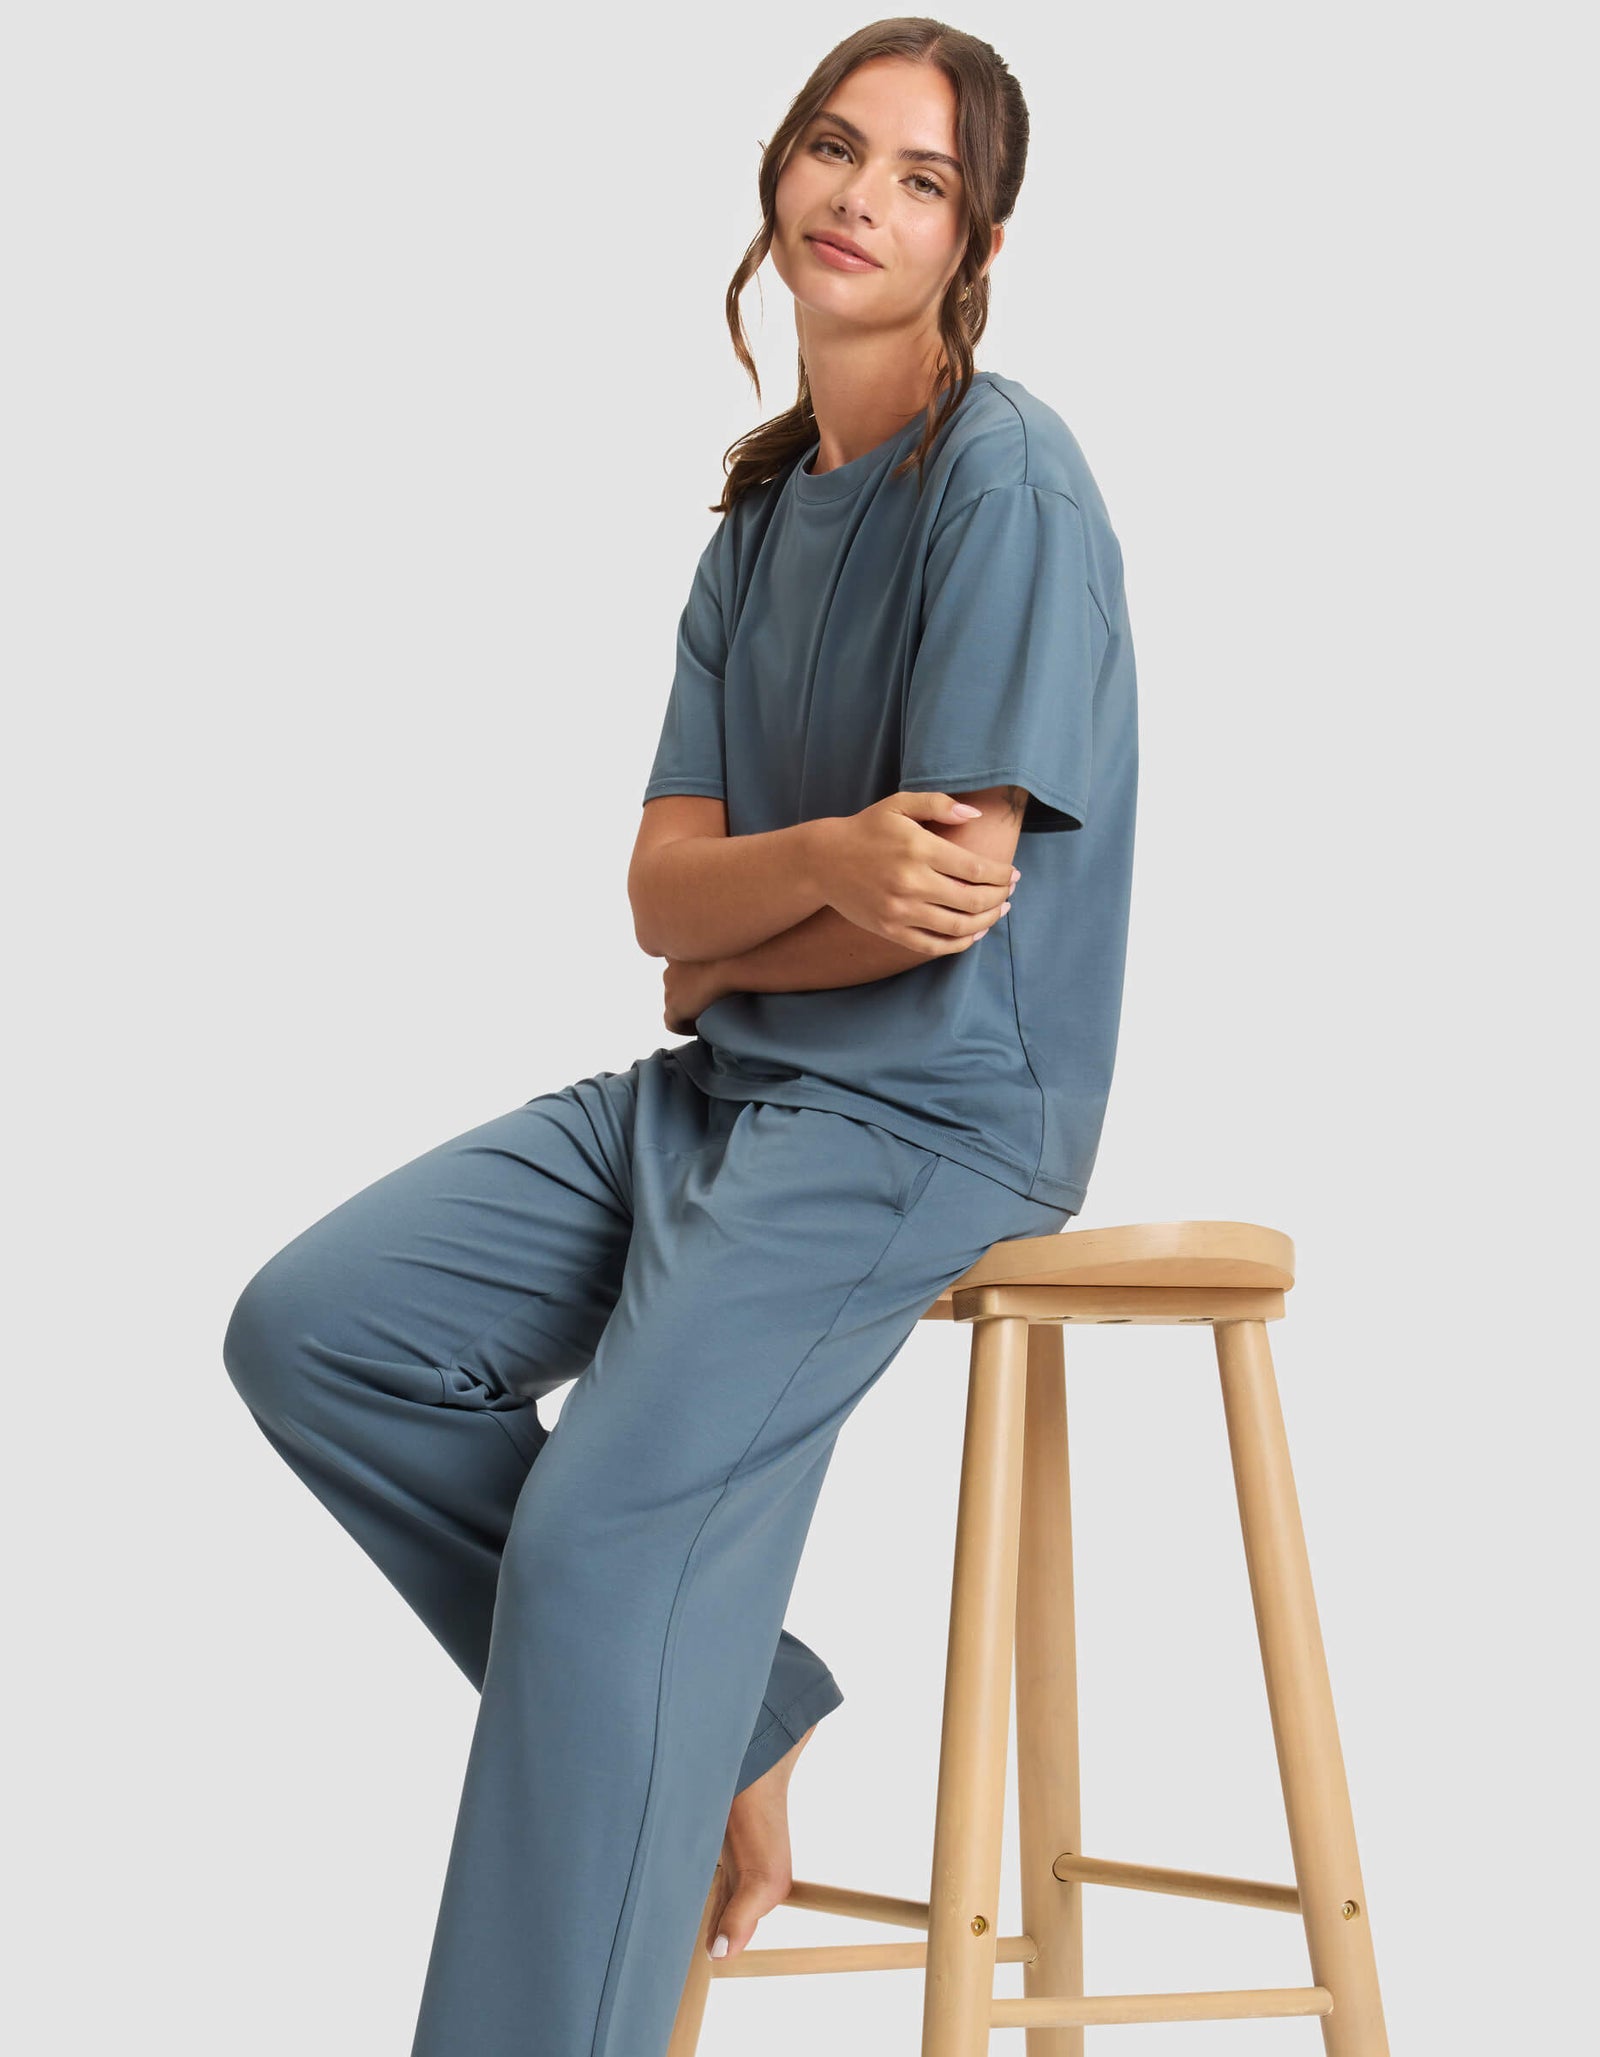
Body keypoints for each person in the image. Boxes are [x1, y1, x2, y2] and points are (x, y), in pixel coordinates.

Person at [222, 19, 1137, 2056]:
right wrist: (772, 901)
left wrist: (740, 930)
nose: (858, 196)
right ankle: (733, 1690)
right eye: (834, 148)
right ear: (776, 173)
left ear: (972, 239)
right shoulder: (751, 531)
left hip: (931, 1116)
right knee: (317, 1329)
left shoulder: (1003, 474)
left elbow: (947, 903)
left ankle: (653, 1717)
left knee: (591, 1558)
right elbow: (659, 905)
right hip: (723, 1099)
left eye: (914, 176)